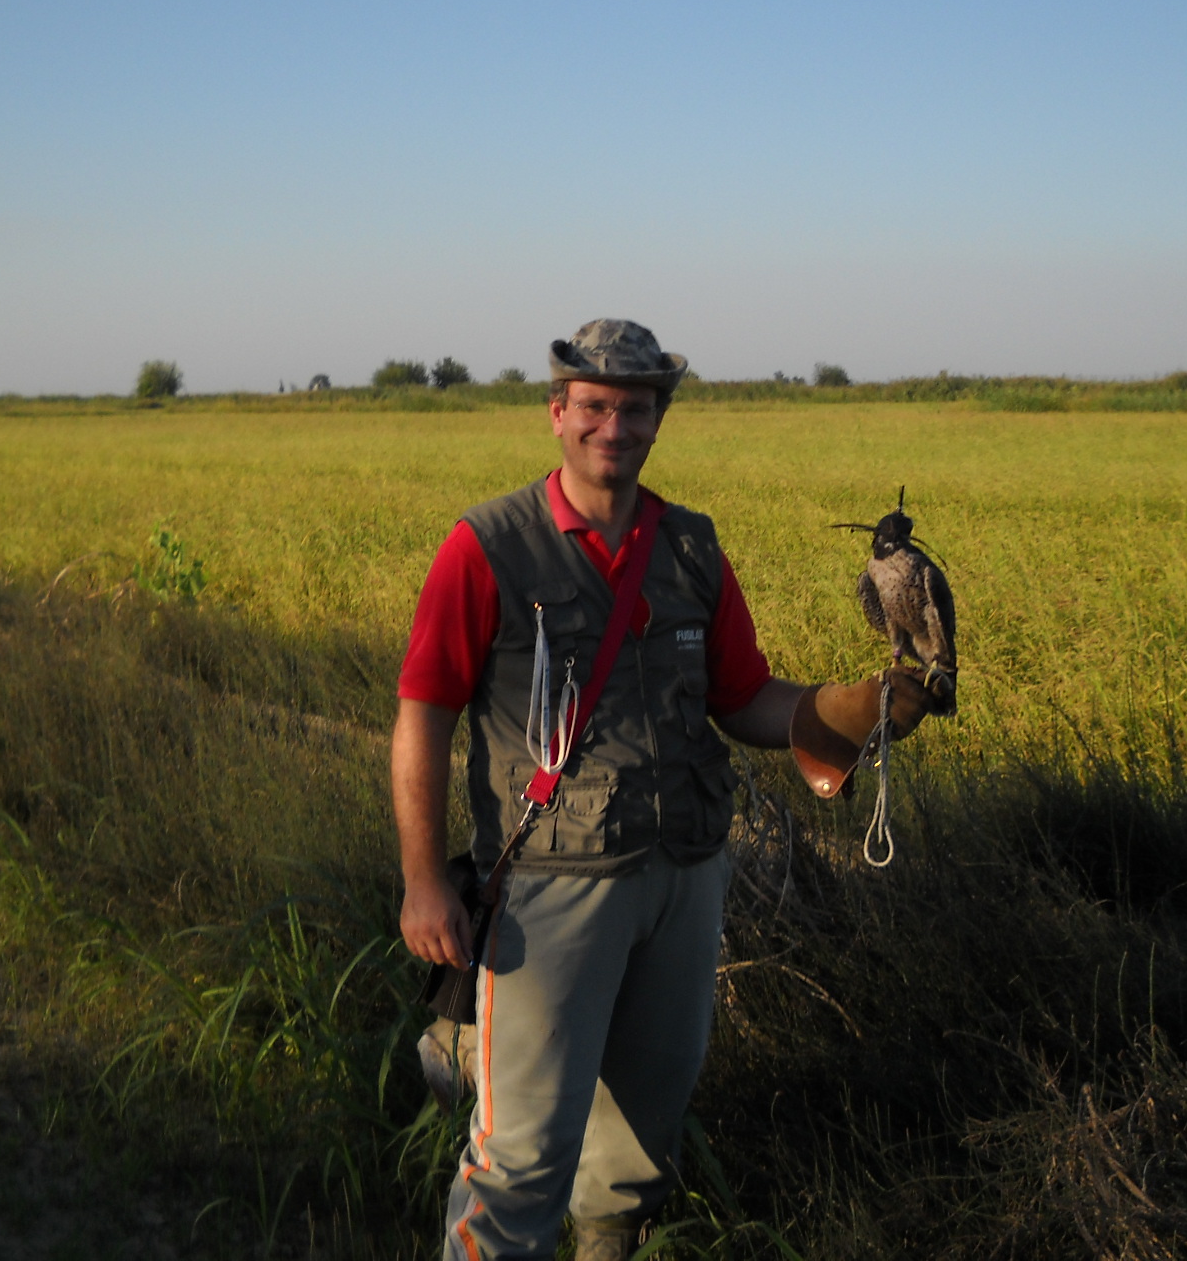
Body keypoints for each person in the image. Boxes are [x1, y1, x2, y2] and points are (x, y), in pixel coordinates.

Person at [393, 318, 930, 1261]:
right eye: (594, 405)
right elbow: (423, 716)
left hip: (684, 878)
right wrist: (425, 881)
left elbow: (744, 697)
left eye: (635, 407)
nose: (614, 425)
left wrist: (861, 706)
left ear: (657, 419)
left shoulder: (688, 549)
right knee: (521, 1158)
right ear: (558, 414)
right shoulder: (488, 549)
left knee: (637, 1154)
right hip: (550, 893)